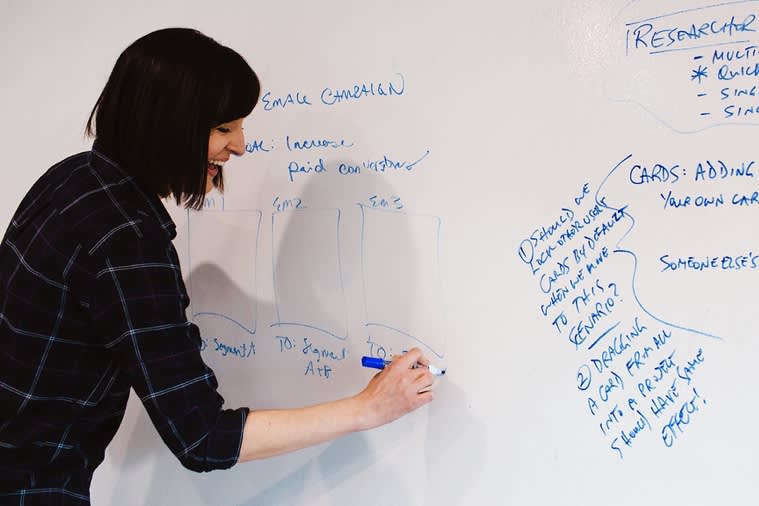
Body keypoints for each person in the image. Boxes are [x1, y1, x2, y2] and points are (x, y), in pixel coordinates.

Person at [0, 28, 435, 504]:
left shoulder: (74, 177)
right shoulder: (127, 241)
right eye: (224, 129)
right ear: (168, 125)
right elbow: (201, 438)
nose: (241, 146)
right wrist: (368, 409)